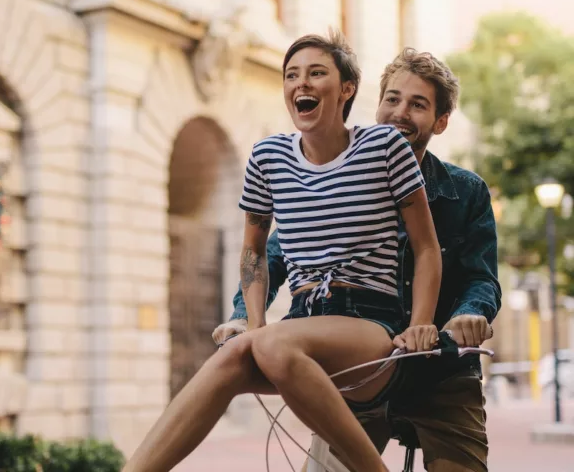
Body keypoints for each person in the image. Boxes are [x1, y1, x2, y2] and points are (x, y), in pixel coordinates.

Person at [124, 32, 442, 472]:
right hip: (301, 322)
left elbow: (426, 247)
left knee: (270, 342)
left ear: (346, 89)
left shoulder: (384, 147)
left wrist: (420, 324)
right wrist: (254, 325)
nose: (301, 84)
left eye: (316, 73)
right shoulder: (268, 156)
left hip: (369, 323)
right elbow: (253, 251)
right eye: (292, 75)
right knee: (234, 355)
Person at [214, 47, 501, 472]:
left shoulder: (466, 190)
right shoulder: (344, 172)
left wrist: (468, 315)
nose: (401, 112)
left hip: (439, 370)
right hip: (359, 368)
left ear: (440, 122)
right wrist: (243, 317)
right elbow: (273, 255)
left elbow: (481, 277)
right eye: (392, 99)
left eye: (418, 104)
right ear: (376, 103)